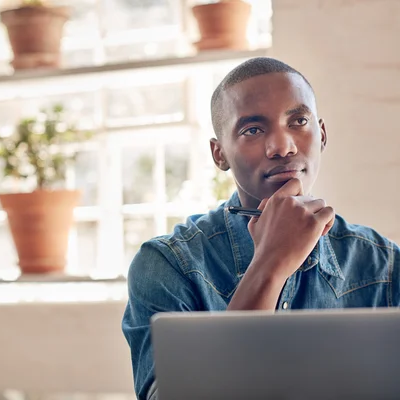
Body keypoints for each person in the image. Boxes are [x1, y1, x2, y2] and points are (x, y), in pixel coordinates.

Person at [121, 57, 400, 400]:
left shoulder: (383, 262)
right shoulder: (167, 264)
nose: (283, 147)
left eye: (298, 121)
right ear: (219, 153)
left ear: (322, 134)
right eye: (253, 130)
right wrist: (269, 263)